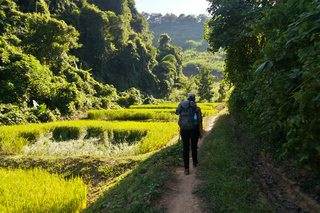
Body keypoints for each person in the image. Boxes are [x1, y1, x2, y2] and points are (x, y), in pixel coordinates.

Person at [176, 93, 203, 175]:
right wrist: (201, 131)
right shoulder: (197, 108)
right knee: (194, 146)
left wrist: (181, 130)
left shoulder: (183, 107)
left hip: (184, 130)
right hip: (194, 130)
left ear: (187, 99)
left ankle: (186, 169)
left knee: (185, 148)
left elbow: (180, 120)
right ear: (194, 100)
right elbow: (199, 121)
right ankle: (194, 162)